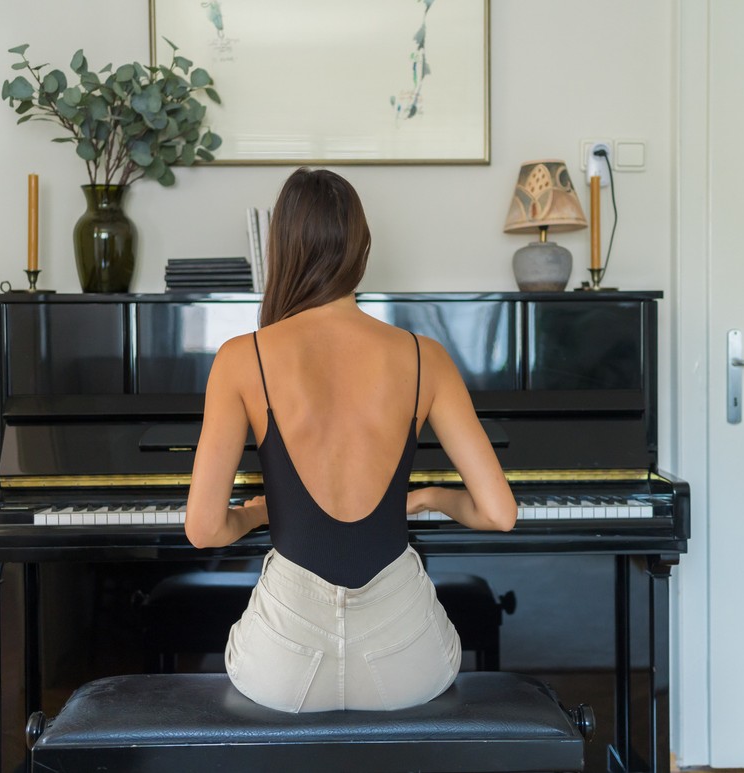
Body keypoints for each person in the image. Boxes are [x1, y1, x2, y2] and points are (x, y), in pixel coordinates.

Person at [185, 167, 517, 713]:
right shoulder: (423, 356)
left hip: (284, 668)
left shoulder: (242, 357)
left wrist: (256, 513)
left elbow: (203, 530)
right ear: (362, 248)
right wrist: (432, 496)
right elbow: (500, 513)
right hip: (405, 661)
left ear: (283, 251)